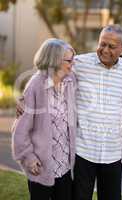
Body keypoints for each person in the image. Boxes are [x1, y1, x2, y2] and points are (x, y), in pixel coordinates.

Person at [12, 38, 77, 200]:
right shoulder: (35, 86)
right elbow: (20, 131)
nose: (73, 63)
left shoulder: (70, 81)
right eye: (69, 60)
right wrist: (28, 158)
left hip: (65, 167)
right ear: (55, 61)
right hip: (41, 166)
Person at [72, 24, 122, 200]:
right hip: (84, 150)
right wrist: (26, 98)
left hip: (114, 153)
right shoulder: (79, 63)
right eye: (102, 44)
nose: (105, 50)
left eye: (111, 47)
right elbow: (50, 70)